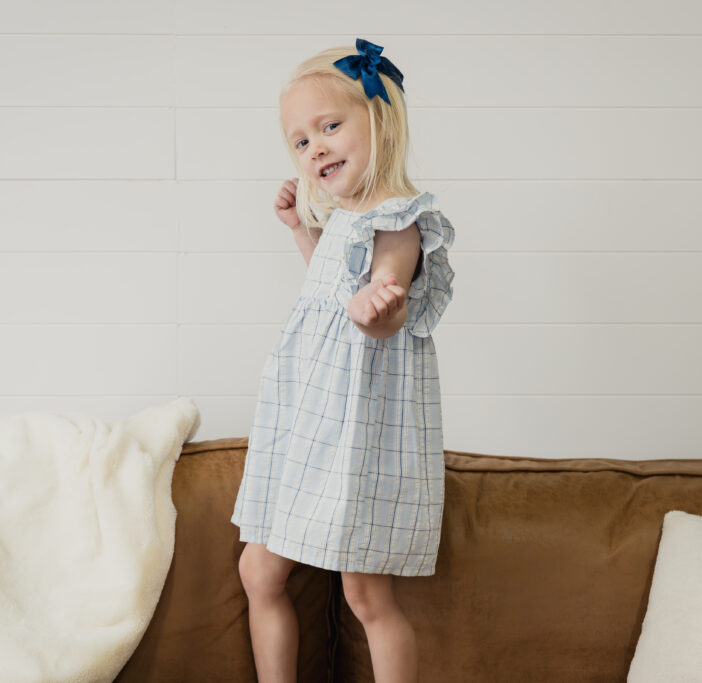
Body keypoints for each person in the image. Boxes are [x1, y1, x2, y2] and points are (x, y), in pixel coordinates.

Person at [229, 38, 456, 683]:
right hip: (306, 425)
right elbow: (332, 294)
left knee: (367, 596)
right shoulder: (343, 218)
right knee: (257, 569)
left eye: (330, 126)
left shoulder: (399, 220)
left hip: (358, 434)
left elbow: (385, 307)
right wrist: (303, 232)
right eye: (300, 141)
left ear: (379, 121)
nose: (316, 147)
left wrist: (380, 305)